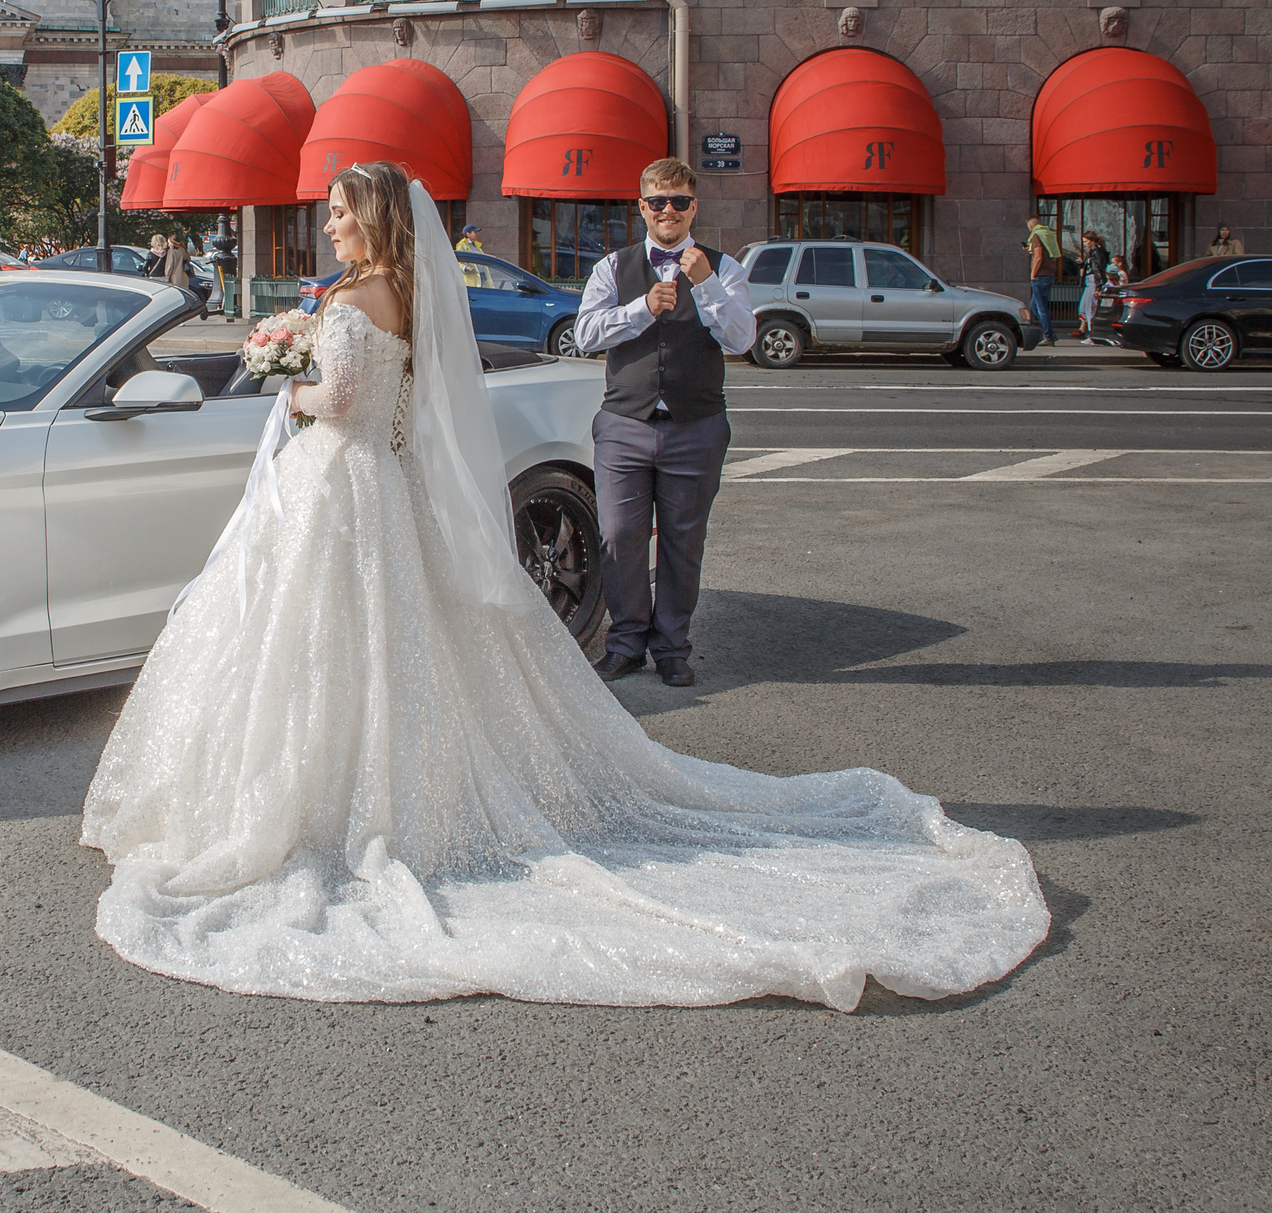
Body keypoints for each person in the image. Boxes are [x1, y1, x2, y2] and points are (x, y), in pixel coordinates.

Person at [81, 158, 1049, 1010]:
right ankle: (393, 768)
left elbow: (337, 401)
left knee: (325, 647)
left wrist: (279, 378)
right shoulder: (397, 295)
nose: (327, 221)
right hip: (374, 487)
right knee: (372, 647)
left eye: (337, 209)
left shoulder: (351, 302)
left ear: (370, 218)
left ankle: (323, 804)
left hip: (339, 485)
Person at [571, 159, 754, 689]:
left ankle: (672, 647)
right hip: (625, 423)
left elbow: (743, 339)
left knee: (682, 540)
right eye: (657, 201)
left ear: (693, 206)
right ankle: (627, 642)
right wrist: (640, 309)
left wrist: (709, 286)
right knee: (619, 535)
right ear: (641, 207)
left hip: (695, 425)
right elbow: (585, 334)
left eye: (678, 201)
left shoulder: (722, 268)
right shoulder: (614, 267)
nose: (667, 210)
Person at [1023, 214, 1061, 347]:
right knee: (1034, 306)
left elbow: (1038, 257)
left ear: (1031, 225)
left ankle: (1049, 336)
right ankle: (1050, 332)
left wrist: (1033, 274)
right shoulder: (1048, 234)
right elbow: (1049, 254)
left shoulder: (1036, 236)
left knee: (1041, 308)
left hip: (1040, 276)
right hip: (1048, 274)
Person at [1077, 230, 1111, 343]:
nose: (1085, 244)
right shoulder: (1092, 252)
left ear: (1093, 241)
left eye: (1086, 241)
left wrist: (1099, 288)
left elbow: (1099, 270)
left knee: (1090, 309)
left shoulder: (1097, 252)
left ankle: (1093, 335)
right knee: (1084, 308)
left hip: (1094, 281)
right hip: (1090, 281)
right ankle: (1087, 332)